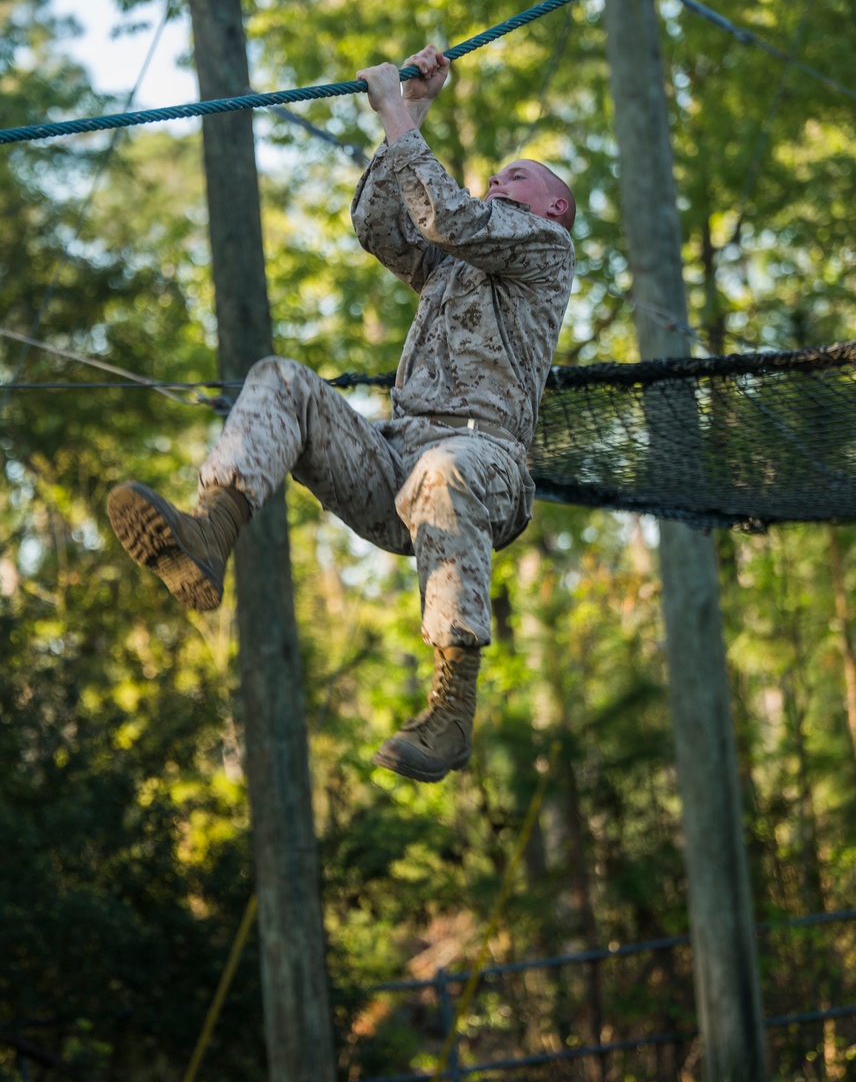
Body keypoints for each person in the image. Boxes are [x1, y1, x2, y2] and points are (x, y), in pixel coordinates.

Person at [108, 45, 575, 783]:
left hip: (481, 467)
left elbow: (448, 215)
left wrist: (396, 109)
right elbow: (380, 226)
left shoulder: (545, 248)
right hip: (397, 468)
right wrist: (413, 111)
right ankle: (212, 528)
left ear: (555, 205)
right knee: (282, 380)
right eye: (496, 173)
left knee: (445, 468)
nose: (497, 178)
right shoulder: (452, 265)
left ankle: (451, 710)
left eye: (516, 175)